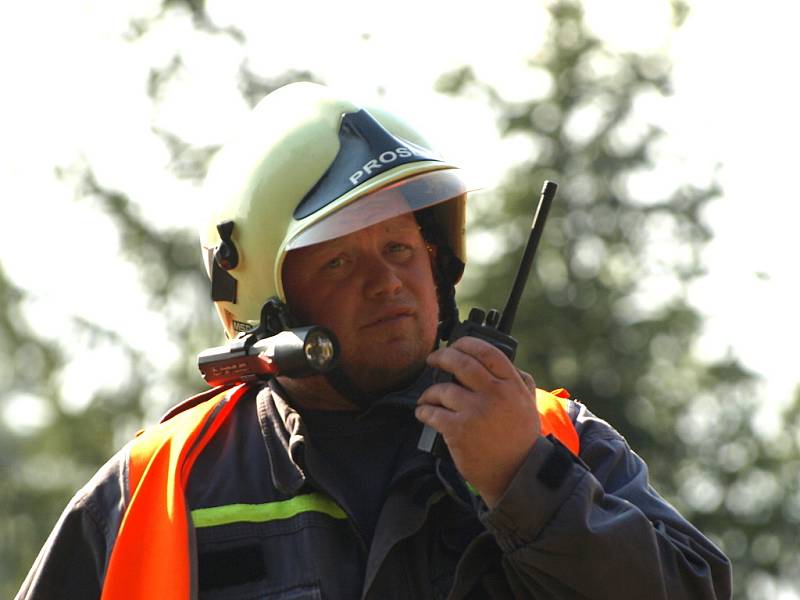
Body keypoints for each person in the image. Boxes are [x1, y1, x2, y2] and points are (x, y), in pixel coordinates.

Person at [16, 82, 731, 599]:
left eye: (400, 248)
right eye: (339, 260)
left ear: (439, 264)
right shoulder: (158, 489)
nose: (388, 282)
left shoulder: (554, 442)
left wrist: (525, 485)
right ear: (269, 302)